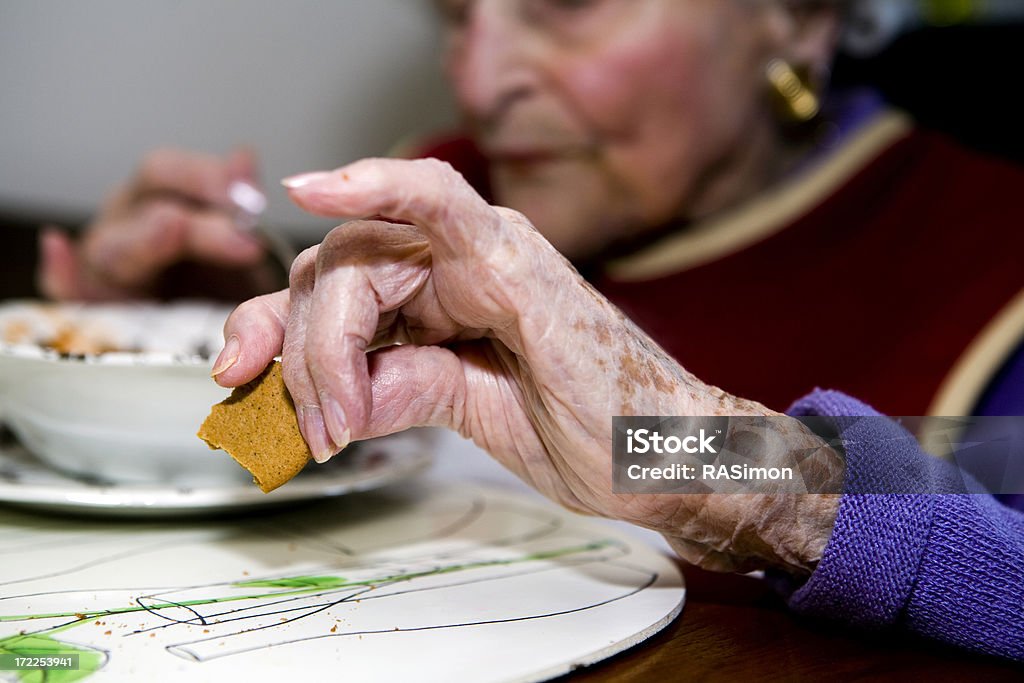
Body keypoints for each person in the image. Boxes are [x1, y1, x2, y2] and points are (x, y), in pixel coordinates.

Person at [35, 0, 1024, 661]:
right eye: (455, 18)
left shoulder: (988, 261)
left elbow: (997, 501)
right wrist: (184, 341)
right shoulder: (453, 182)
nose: (481, 80)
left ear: (800, 17)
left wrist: (714, 461)